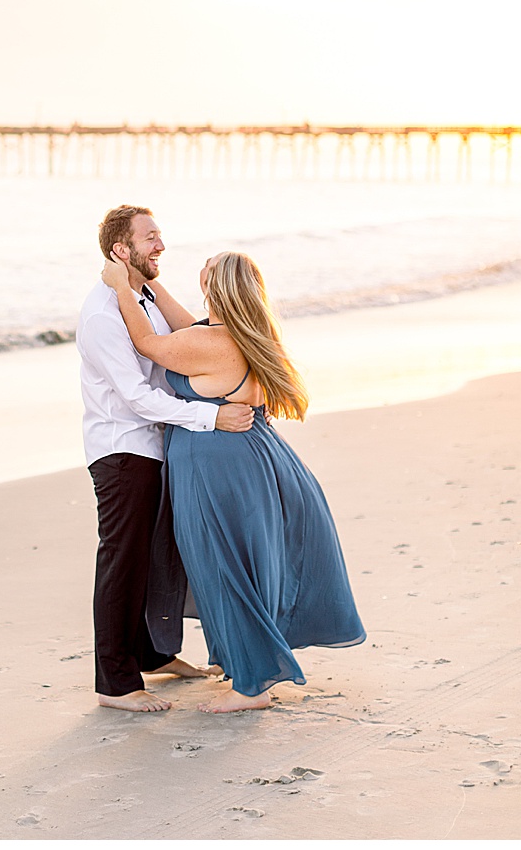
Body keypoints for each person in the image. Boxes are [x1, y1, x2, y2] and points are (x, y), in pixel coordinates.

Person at [100, 246, 365, 712]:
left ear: (215, 288)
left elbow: (148, 343)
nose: (199, 269)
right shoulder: (240, 333)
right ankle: (243, 663)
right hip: (249, 458)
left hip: (217, 467)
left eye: (207, 269)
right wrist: (147, 283)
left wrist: (123, 287)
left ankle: (252, 686)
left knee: (223, 566)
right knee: (237, 563)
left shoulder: (212, 342)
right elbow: (185, 326)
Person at [78, 205, 256, 711]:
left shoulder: (144, 298)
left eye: (160, 235)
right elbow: (135, 396)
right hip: (123, 450)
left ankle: (153, 656)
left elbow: (188, 335)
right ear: (121, 250)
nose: (161, 245)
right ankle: (115, 684)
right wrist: (212, 418)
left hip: (159, 445)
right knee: (122, 562)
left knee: (158, 560)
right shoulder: (102, 312)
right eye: (150, 237)